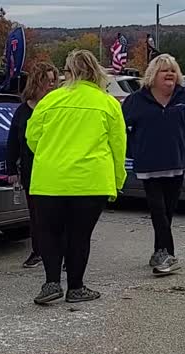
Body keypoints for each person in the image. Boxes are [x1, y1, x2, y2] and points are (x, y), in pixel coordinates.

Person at [26, 50, 127, 305]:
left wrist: (52, 155)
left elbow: (32, 138)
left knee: (50, 233)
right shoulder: (108, 104)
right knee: (79, 235)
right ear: (96, 71)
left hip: (49, 180)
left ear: (68, 72)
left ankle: (50, 283)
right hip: (90, 181)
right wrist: (117, 180)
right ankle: (76, 287)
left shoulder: (49, 101)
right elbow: (118, 145)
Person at [122, 54, 185, 275]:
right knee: (157, 210)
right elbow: (121, 129)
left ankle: (159, 251)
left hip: (178, 163)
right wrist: (134, 149)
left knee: (167, 211)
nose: (169, 74)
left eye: (173, 70)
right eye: (164, 70)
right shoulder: (136, 100)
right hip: (149, 166)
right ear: (153, 75)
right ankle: (168, 255)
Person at [6, 62, 58, 268]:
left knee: (56, 215)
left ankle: (61, 252)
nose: (52, 85)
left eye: (54, 81)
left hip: (54, 170)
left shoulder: (58, 107)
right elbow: (13, 141)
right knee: (36, 215)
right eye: (48, 81)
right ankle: (38, 251)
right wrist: (11, 169)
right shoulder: (22, 111)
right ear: (37, 82)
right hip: (30, 171)